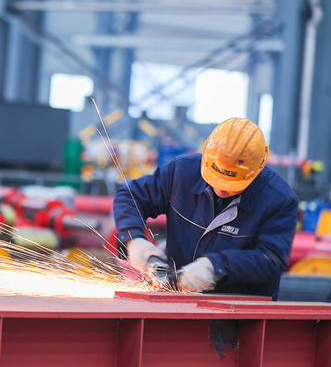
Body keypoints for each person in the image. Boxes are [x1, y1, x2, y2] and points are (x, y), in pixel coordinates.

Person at [113, 117, 298, 299]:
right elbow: (130, 196)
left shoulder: (278, 199)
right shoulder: (182, 172)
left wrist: (215, 266)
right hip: (174, 300)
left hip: (240, 315)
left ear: (257, 168)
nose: (220, 189)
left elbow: (271, 260)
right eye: (215, 178)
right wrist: (134, 239)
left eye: (231, 184)